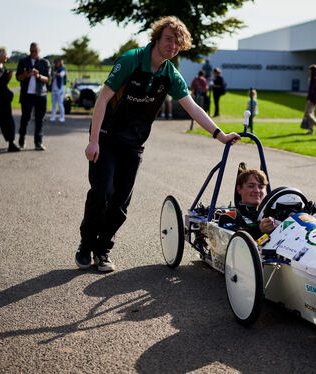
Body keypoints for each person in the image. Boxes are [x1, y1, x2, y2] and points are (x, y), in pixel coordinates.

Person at [75, 16, 241, 272]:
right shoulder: (131, 60)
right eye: (168, 39)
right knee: (101, 193)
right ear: (157, 38)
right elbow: (102, 99)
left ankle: (103, 249)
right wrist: (93, 140)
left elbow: (192, 107)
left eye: (177, 43)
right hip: (107, 136)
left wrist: (220, 135)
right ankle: (86, 245)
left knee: (120, 201)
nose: (172, 46)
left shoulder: (170, 74)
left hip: (134, 143)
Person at [16, 42, 51, 151]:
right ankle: (22, 139)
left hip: (40, 95)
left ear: (39, 51)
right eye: (31, 51)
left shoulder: (45, 62)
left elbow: (48, 79)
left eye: (35, 51)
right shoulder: (23, 61)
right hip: (27, 95)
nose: (33, 53)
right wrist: (25, 75)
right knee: (25, 118)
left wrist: (38, 75)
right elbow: (18, 77)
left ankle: (38, 143)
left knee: (40, 120)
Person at [235, 168, 275, 237]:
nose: (256, 190)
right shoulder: (231, 217)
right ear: (239, 189)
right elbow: (236, 238)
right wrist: (259, 230)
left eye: (261, 187)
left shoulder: (274, 214)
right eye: (251, 186)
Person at [303, 64, 316, 134]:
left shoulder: (315, 79)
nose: (309, 71)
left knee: (308, 114)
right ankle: (311, 130)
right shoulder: (314, 78)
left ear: (312, 71)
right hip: (313, 99)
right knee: (311, 114)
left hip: (312, 99)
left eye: (310, 70)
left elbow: (313, 90)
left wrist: (309, 99)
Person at [49, 58, 67, 123]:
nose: (56, 64)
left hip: (60, 88)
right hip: (54, 88)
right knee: (53, 104)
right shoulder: (54, 69)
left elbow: (61, 75)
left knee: (60, 103)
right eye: (55, 63)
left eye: (57, 63)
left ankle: (62, 117)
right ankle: (53, 117)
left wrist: (54, 73)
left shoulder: (63, 69)